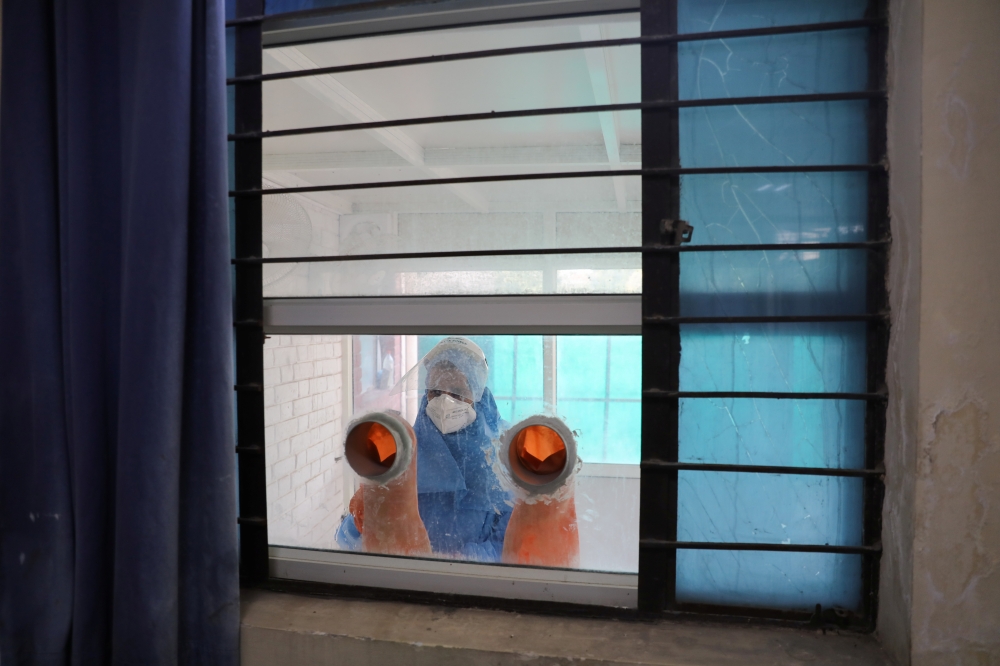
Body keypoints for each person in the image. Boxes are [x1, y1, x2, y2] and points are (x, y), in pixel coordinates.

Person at [337, 337, 513, 562]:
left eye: (457, 391)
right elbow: (347, 542)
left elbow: (514, 548)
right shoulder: (404, 449)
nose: (445, 401)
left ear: (477, 394)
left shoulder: (505, 452)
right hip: (408, 582)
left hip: (478, 587)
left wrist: (455, 562)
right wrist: (364, 513)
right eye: (436, 391)